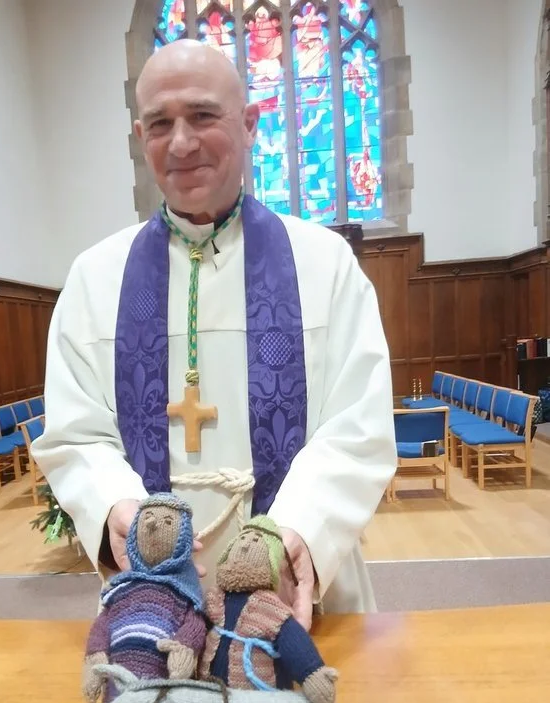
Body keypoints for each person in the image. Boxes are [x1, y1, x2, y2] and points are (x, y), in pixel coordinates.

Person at [31, 39, 397, 629]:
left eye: (203, 115)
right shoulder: (94, 279)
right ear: (140, 133)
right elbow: (76, 435)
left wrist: (296, 528)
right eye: (160, 124)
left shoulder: (325, 265)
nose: (181, 143)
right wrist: (116, 507)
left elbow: (360, 427)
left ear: (250, 124)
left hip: (296, 586)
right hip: (156, 600)